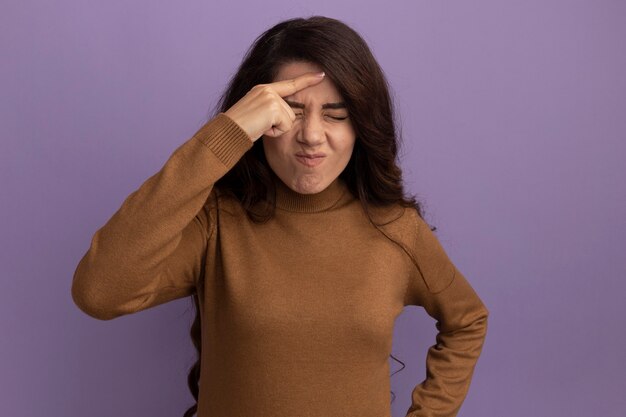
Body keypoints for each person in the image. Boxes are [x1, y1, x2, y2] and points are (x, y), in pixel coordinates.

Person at [71, 15, 489, 417]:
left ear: (361, 126)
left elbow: (468, 320)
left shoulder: (396, 230)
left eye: (336, 115)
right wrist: (225, 135)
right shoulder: (216, 223)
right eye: (288, 112)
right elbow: (99, 292)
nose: (310, 134)